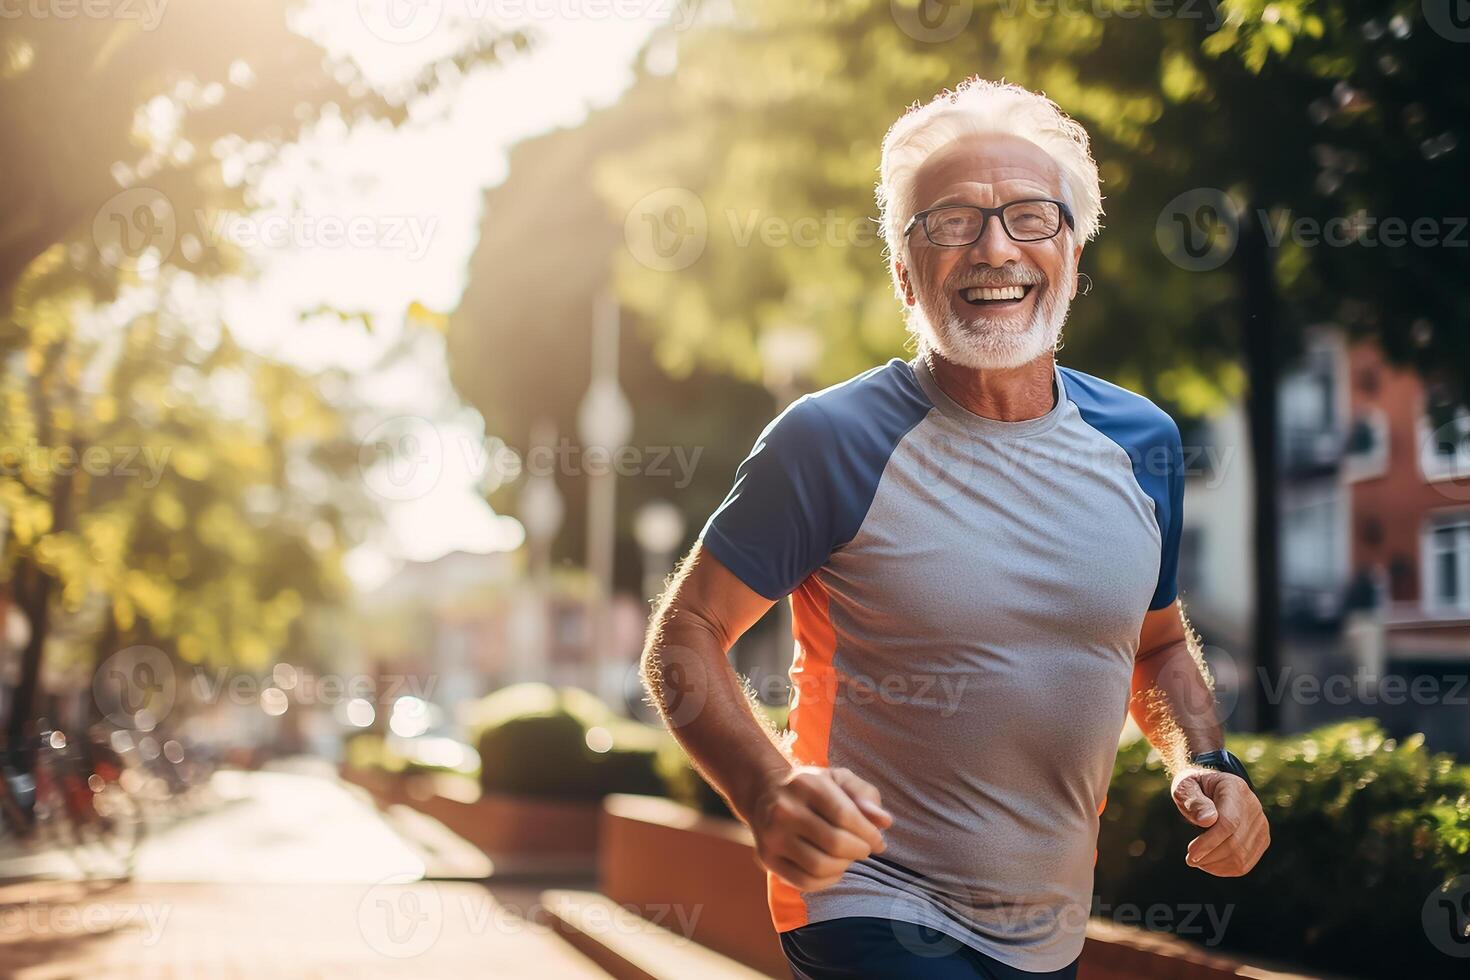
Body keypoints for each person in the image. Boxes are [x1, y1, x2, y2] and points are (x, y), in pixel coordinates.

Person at [640, 77, 1269, 980]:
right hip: (865, 897)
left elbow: (1157, 645)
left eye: (1029, 217)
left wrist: (1206, 761)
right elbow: (686, 633)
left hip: (1047, 926)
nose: (993, 248)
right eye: (949, 223)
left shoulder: (1143, 443)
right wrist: (768, 790)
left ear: (1073, 249)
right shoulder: (834, 439)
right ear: (904, 269)